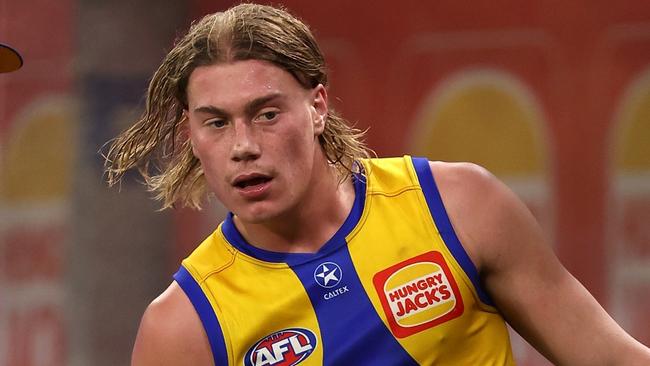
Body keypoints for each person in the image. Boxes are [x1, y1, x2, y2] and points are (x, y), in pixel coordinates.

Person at [104, 3, 650, 365]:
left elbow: (612, 359)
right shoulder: (183, 327)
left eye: (266, 114)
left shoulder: (459, 207)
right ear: (191, 135)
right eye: (217, 122)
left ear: (317, 106)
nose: (243, 145)